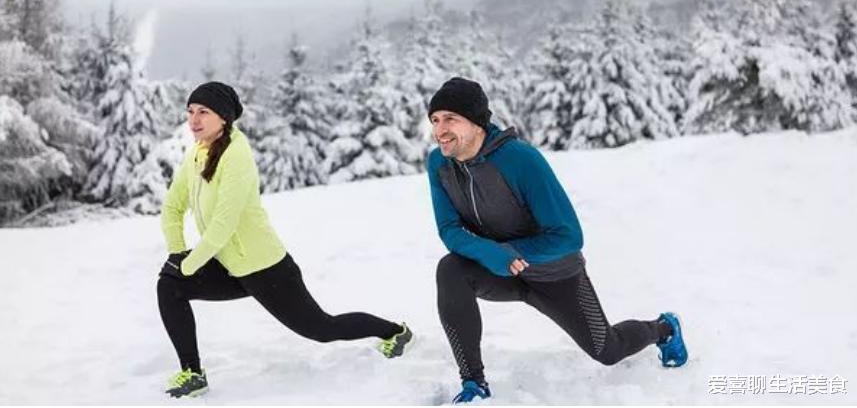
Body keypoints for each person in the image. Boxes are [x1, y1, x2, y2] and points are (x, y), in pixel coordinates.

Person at [425, 77, 687, 404]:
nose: (440, 130)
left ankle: (663, 328)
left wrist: (513, 253)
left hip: (555, 276)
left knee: (607, 349)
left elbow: (569, 235)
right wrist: (493, 254)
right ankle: (474, 384)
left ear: (478, 123)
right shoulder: (439, 163)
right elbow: (449, 229)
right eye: (435, 120)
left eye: (451, 119)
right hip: (503, 272)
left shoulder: (520, 160)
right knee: (450, 270)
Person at [157, 81, 413, 399]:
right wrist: (178, 254)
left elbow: (224, 224)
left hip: (264, 268)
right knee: (169, 284)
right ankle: (193, 373)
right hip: (226, 263)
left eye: (203, 112)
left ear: (223, 117)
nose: (194, 120)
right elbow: (172, 206)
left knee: (322, 329)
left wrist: (190, 265)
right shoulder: (197, 152)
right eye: (191, 112)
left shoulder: (237, 155)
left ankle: (395, 332)